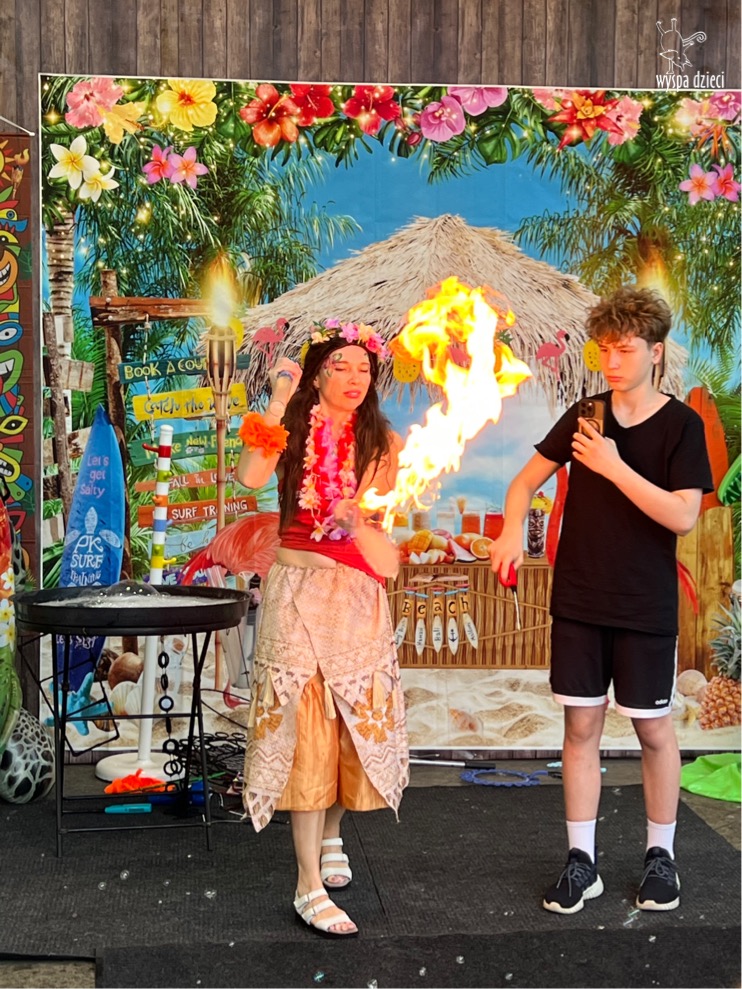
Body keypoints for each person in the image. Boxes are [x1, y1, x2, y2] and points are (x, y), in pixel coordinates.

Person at [489, 286, 712, 915]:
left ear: (656, 352)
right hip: (580, 599)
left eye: (626, 350)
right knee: (580, 727)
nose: (612, 362)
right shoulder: (584, 414)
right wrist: (511, 528)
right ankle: (580, 862)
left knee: (653, 729)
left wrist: (613, 467)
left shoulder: (682, 426)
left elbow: (683, 516)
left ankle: (660, 856)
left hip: (644, 604)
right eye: (605, 350)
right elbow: (523, 482)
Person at [237, 319, 409, 938]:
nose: (356, 378)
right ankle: (307, 884)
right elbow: (250, 477)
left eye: (365, 368)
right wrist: (278, 399)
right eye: (342, 366)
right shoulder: (289, 427)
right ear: (318, 375)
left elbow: (384, 550)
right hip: (295, 591)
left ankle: (332, 833)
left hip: (356, 597)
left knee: (348, 727)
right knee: (306, 731)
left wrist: (356, 519)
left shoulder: (382, 442)